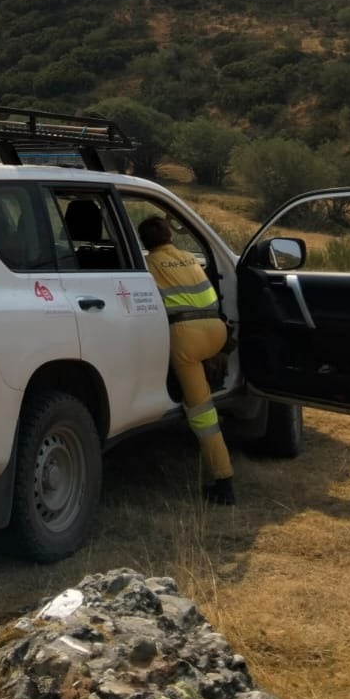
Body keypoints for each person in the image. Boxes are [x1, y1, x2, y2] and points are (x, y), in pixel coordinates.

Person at [137, 215, 235, 506]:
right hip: (216, 331)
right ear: (169, 235)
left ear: (143, 241)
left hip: (186, 338)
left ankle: (224, 483)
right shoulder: (189, 258)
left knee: (202, 413)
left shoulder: (148, 264)